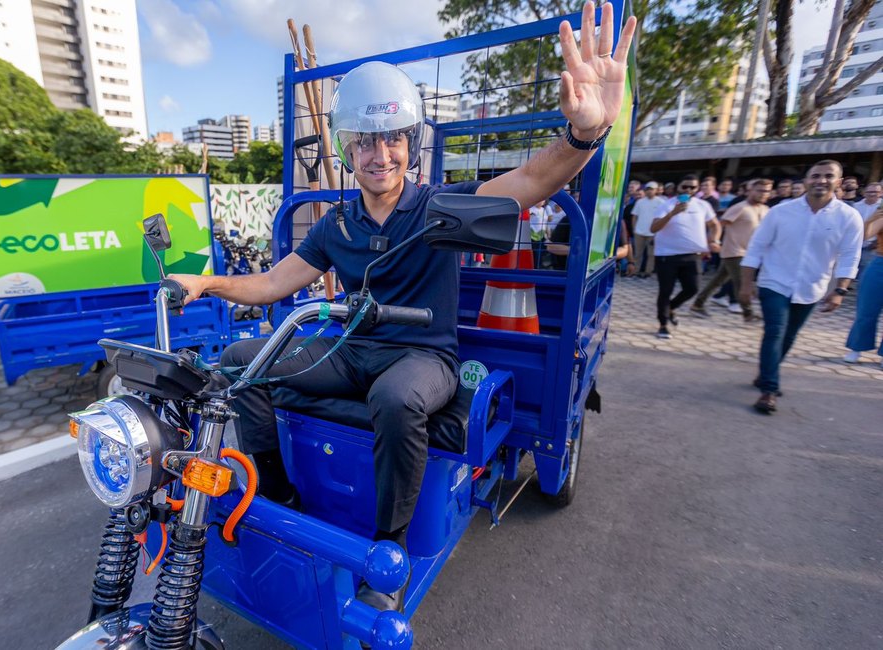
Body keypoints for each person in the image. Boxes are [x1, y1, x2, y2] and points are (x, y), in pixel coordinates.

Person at [168, 2, 637, 611]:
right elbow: (274, 284)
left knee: (396, 398)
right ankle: (278, 498)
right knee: (239, 360)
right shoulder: (337, 223)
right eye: (365, 140)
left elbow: (530, 182)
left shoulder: (439, 207)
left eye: (391, 137)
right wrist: (209, 284)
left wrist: (583, 134)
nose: (379, 153)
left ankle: (386, 550)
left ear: (410, 144)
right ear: (347, 149)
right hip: (352, 349)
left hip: (423, 357)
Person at [740, 160, 863, 414]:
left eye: (828, 176)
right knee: (775, 331)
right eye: (815, 175)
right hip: (774, 281)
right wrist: (746, 283)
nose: (821, 180)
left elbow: (851, 255)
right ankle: (769, 389)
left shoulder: (848, 217)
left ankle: (766, 373)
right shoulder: (781, 212)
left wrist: (840, 290)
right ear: (806, 180)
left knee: (789, 335)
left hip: (811, 287)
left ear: (838, 182)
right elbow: (756, 247)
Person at [649, 174, 721, 339]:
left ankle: (671, 308)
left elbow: (714, 224)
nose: (688, 190)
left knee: (692, 289)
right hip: (667, 256)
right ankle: (663, 324)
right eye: (685, 187)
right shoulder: (666, 205)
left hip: (693, 255)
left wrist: (714, 240)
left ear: (697, 189)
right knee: (665, 291)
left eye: (692, 187)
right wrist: (672, 213)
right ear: (678, 187)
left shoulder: (703, 205)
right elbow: (653, 228)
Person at [690, 179, 772, 321]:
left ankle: (698, 303)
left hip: (750, 253)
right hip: (734, 251)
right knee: (741, 282)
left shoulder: (766, 210)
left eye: (766, 191)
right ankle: (748, 313)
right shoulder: (740, 207)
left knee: (718, 280)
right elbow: (719, 224)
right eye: (759, 190)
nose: (763, 194)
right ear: (750, 191)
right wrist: (714, 242)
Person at [843, 205, 883, 367]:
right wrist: (873, 218)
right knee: (866, 310)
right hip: (880, 264)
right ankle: (856, 348)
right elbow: (865, 235)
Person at [630, 181, 664, 277]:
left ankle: (648, 272)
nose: (649, 191)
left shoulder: (661, 202)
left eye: (651, 189)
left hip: (653, 233)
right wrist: (634, 229)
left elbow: (662, 218)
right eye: (648, 189)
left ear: (656, 190)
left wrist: (659, 232)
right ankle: (635, 271)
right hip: (639, 232)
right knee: (637, 254)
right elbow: (634, 216)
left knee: (651, 254)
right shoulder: (640, 202)